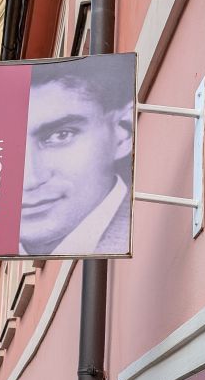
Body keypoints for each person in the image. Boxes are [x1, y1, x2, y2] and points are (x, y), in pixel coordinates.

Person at [19, 54, 135, 257]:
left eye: (60, 135)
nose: (30, 179)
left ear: (123, 132)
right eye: (11, 147)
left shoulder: (149, 230)